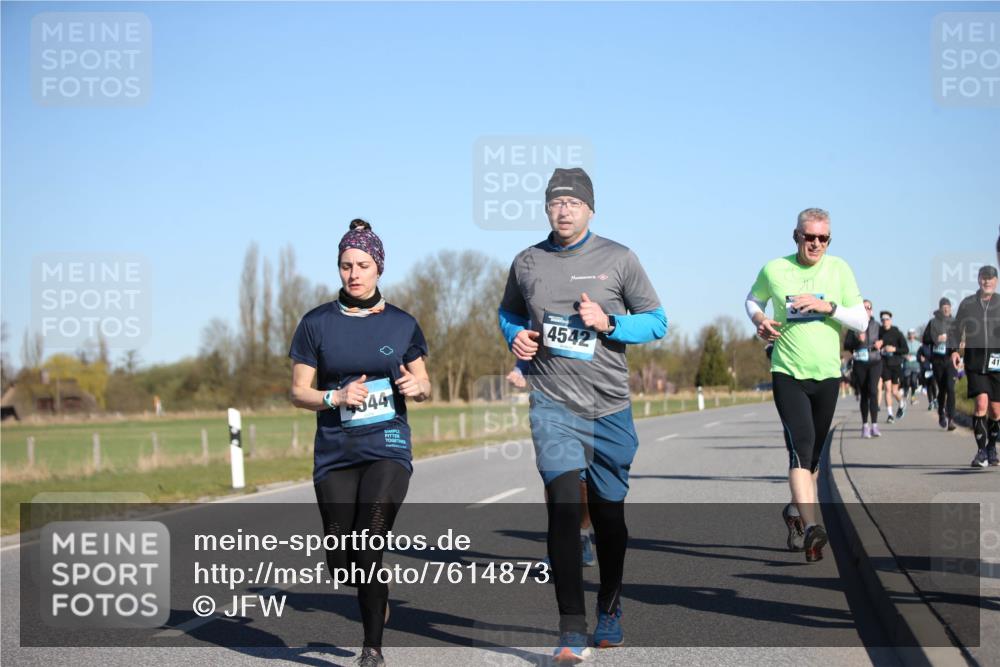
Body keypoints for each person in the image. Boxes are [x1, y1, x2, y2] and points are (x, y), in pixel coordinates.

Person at [498, 167, 666, 662]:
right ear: (546, 208)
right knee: (564, 509)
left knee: (609, 518)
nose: (564, 209)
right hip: (551, 401)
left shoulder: (619, 259)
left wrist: (609, 321)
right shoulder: (527, 262)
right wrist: (516, 337)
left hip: (609, 406)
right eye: (556, 202)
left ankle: (609, 608)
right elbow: (509, 311)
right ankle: (570, 628)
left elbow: (658, 321)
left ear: (590, 209)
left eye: (573, 203)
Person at [289, 220, 431, 667]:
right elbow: (298, 391)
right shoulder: (316, 323)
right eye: (346, 265)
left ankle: (372, 648)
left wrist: (417, 388)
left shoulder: (402, 324)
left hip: (387, 446)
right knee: (342, 557)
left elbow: (424, 380)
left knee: (370, 540)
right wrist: (334, 396)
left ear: (378, 268)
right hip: (335, 451)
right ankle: (373, 596)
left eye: (363, 265)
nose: (354, 274)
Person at [746, 208, 866, 563]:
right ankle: (813, 527)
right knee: (800, 448)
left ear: (829, 240)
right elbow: (753, 298)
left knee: (812, 458)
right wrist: (760, 318)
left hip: (827, 374)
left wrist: (827, 306)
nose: (815, 244)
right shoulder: (775, 269)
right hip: (788, 372)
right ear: (795, 236)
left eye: (822, 238)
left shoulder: (839, 269)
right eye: (808, 236)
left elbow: (860, 319)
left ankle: (796, 513)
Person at [950, 265, 1000, 468]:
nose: (986, 281)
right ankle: (981, 452)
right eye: (983, 278)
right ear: (978, 280)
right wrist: (953, 350)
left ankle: (991, 448)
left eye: (990, 278)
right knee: (981, 404)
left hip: (997, 361)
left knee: (996, 411)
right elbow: (955, 328)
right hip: (975, 360)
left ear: (996, 281)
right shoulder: (968, 303)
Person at [844, 300, 883, 438]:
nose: (866, 309)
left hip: (875, 362)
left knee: (873, 391)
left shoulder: (877, 325)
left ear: (871, 311)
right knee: (864, 394)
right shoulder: (853, 327)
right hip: (860, 363)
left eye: (868, 307)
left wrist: (881, 342)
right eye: (863, 307)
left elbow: (888, 339)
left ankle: (875, 425)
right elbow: (846, 345)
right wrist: (857, 341)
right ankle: (865, 426)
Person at [923, 297, 957, 430]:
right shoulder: (933, 322)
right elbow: (925, 339)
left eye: (948, 307)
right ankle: (941, 413)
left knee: (951, 388)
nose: (947, 309)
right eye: (944, 307)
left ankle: (951, 420)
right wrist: (936, 338)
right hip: (937, 361)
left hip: (950, 360)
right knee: (942, 389)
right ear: (940, 309)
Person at [877, 311, 908, 423]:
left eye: (887, 319)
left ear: (891, 320)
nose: (885, 321)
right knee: (887, 389)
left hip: (896, 364)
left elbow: (905, 349)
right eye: (883, 319)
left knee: (895, 391)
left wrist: (894, 349)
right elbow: (875, 345)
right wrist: (880, 349)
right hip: (884, 364)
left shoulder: (896, 332)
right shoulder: (879, 332)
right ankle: (890, 415)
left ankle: (902, 403)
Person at [902, 329, 923, 404]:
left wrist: (921, 357)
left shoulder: (918, 344)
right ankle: (905, 394)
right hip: (907, 365)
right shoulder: (905, 343)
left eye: (912, 334)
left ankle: (913, 397)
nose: (911, 335)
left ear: (914, 335)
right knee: (907, 382)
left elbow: (922, 353)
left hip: (916, 365)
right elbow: (901, 352)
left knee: (914, 381)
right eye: (910, 334)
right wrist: (905, 356)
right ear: (908, 335)